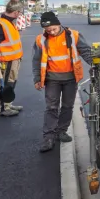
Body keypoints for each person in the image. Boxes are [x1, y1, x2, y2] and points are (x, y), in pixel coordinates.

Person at [32, 11, 92, 153]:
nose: (52, 32)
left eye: (54, 29)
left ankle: (61, 131)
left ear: (59, 24)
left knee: (67, 106)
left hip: (71, 79)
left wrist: (95, 64)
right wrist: (37, 79)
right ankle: (48, 137)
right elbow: (36, 61)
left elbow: (86, 51)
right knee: (51, 107)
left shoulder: (73, 35)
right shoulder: (40, 40)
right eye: (48, 30)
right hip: (52, 79)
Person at [0, 0, 25, 117]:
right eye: (19, 12)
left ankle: (8, 104)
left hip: (14, 59)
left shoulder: (8, 22)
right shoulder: (0, 25)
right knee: (5, 82)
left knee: (11, 82)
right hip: (6, 60)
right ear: (16, 12)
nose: (20, 15)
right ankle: (3, 108)